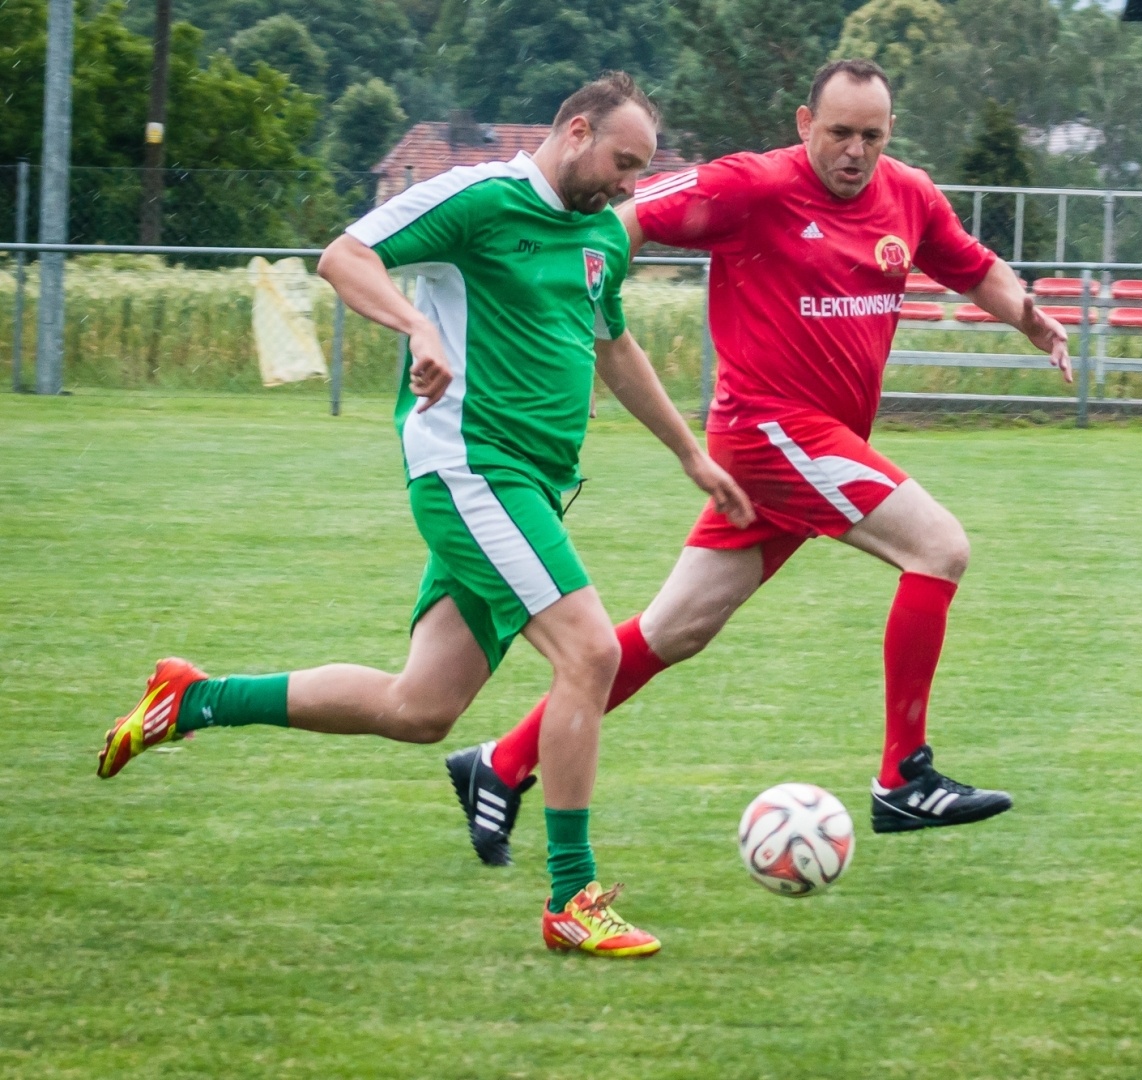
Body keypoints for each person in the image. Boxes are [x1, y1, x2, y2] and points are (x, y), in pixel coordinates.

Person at [94, 72, 753, 958]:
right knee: (592, 653)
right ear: (575, 130)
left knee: (420, 708)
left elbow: (615, 346)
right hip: (473, 471)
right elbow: (344, 257)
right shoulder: (478, 199)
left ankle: (194, 700)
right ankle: (572, 897)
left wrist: (690, 452)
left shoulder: (600, 234)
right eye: (622, 161)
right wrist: (420, 328)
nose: (630, 184)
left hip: (532, 488)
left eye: (642, 168)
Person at [448, 57, 1070, 866]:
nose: (855, 151)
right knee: (939, 546)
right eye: (840, 132)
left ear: (890, 136)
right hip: (771, 433)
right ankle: (903, 778)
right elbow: (628, 218)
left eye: (872, 137)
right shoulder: (750, 187)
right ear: (806, 125)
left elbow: (972, 266)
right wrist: (578, 294)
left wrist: (1031, 319)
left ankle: (499, 764)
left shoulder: (908, 194)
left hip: (807, 453)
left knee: (676, 630)